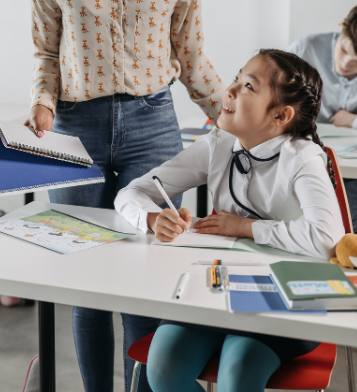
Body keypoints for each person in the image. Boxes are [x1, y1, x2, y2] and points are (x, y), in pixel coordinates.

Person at [24, 0, 225, 392]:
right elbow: (45, 53)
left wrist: (230, 119)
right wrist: (43, 101)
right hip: (74, 129)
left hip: (153, 123)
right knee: (86, 276)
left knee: (145, 270)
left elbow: (191, 53)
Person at [114, 49, 343, 392]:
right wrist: (150, 218)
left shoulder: (303, 157)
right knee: (163, 368)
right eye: (236, 78)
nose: (230, 90)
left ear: (280, 115)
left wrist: (246, 227)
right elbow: (131, 192)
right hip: (217, 289)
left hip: (286, 297)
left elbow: (326, 238)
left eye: (249, 86)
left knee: (238, 375)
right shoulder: (218, 144)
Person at [288, 0, 357, 234]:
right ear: (343, 26)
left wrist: (356, 120)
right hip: (305, 163)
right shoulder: (304, 50)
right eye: (344, 50)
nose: (346, 64)